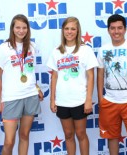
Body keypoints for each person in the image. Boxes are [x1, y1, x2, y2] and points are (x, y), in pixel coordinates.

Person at [46, 17, 98, 155]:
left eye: (73, 29)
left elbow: (91, 76)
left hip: (80, 100)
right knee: (68, 135)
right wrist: (52, 100)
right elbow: (54, 76)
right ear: (63, 30)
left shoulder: (85, 50)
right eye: (67, 29)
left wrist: (88, 99)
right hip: (62, 101)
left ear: (77, 31)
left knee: (81, 134)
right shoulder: (56, 51)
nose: (69, 32)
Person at [0, 14, 43, 155]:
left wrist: (37, 88)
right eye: (18, 27)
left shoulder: (32, 47)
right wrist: (0, 100)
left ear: (27, 29)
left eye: (24, 27)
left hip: (30, 95)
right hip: (11, 98)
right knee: (9, 141)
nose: (21, 31)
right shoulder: (3, 48)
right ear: (12, 28)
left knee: (24, 135)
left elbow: (31, 71)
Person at [96, 14, 127, 155]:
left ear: (125, 29)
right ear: (108, 30)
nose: (116, 31)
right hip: (110, 101)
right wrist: (101, 98)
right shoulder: (103, 50)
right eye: (113, 28)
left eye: (119, 28)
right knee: (112, 137)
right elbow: (100, 74)